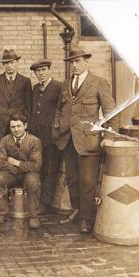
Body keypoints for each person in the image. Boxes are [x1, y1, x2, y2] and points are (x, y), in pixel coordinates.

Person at [52, 49, 118, 233]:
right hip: (68, 140)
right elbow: (59, 109)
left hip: (88, 141)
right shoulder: (66, 84)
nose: (74, 65)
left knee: (88, 182)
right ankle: (78, 210)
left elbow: (110, 112)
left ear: (86, 62)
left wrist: (109, 136)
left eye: (78, 61)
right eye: (72, 62)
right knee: (72, 179)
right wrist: (57, 130)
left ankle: (86, 219)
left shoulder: (98, 83)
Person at [0, 112, 42, 229]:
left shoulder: (34, 141)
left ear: (25, 125)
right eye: (13, 127)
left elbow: (36, 165)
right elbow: (0, 161)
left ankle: (33, 216)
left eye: (19, 126)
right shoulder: (5, 140)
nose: (16, 129)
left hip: (29, 174)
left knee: (33, 182)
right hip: (11, 173)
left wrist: (16, 162)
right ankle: (3, 212)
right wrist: (17, 169)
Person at [28, 59, 62, 213]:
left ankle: (45, 203)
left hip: (51, 137)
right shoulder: (35, 88)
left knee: (50, 169)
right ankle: (36, 199)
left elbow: (60, 111)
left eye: (43, 70)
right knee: (37, 167)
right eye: (37, 71)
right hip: (36, 137)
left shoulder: (58, 87)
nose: (40, 74)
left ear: (49, 70)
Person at [0, 49, 33, 141]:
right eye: (6, 63)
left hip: (18, 124)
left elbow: (29, 105)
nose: (9, 66)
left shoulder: (25, 81)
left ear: (17, 63)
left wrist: (28, 124)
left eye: (12, 62)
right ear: (4, 65)